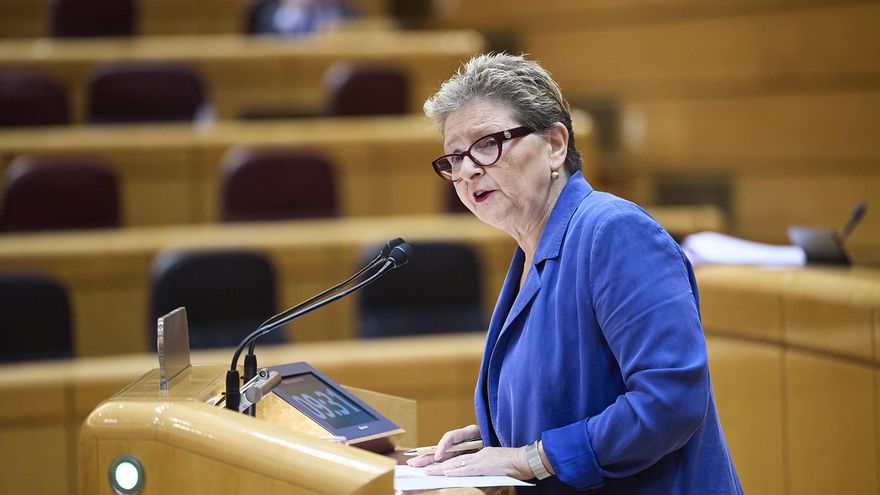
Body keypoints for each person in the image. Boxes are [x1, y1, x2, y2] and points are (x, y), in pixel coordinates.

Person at [407, 53, 743, 494]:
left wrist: (531, 458)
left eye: (487, 144)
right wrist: (494, 441)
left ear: (554, 145)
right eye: (454, 157)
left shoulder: (614, 232)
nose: (467, 169)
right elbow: (575, 397)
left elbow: (670, 401)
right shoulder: (531, 253)